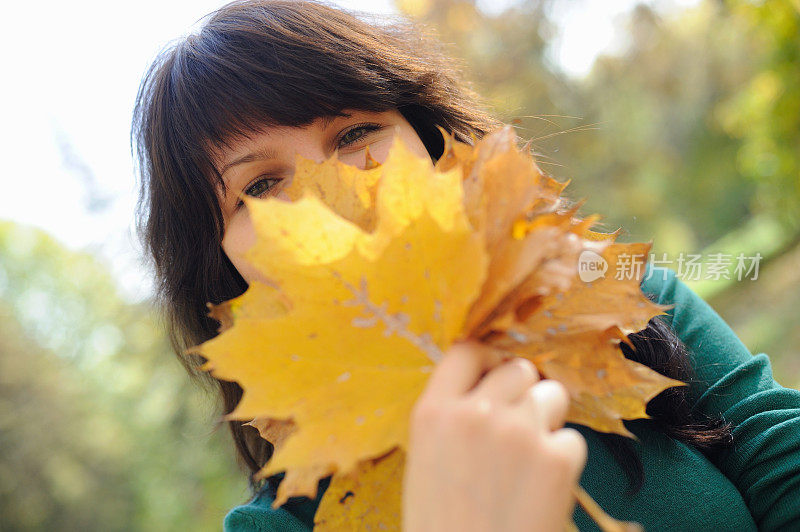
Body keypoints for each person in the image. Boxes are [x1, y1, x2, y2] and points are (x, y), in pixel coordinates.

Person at [132, 1, 800, 530]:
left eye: (355, 133)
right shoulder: (285, 522)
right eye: (261, 186)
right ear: (220, 258)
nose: (333, 192)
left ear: (428, 140)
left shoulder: (613, 290)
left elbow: (779, 455)